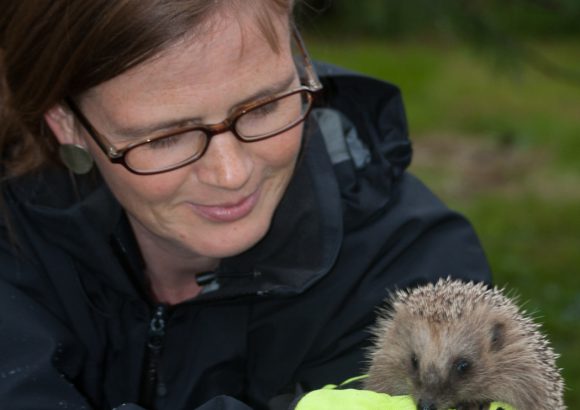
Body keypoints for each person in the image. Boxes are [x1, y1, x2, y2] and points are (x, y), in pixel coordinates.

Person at [0, 1, 491, 409]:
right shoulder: (13, 228)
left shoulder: (415, 279)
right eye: (167, 136)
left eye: (262, 108)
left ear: (301, 64)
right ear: (65, 123)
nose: (231, 174)